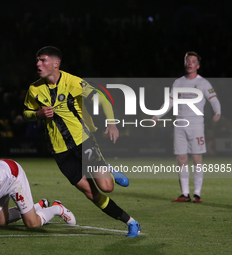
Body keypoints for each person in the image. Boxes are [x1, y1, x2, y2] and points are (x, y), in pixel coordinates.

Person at [23, 46, 140, 237]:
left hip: (83, 141)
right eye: (37, 60)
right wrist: (37, 113)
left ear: (55, 64)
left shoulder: (73, 82)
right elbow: (26, 113)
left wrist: (111, 123)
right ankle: (131, 222)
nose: (38, 63)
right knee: (92, 194)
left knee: (107, 187)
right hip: (60, 151)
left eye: (42, 60)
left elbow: (102, 99)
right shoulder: (34, 89)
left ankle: (108, 169)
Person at [152, 51, 221, 203]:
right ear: (185, 63)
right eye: (187, 60)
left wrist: (217, 112)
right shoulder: (178, 82)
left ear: (198, 65)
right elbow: (169, 102)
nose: (189, 63)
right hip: (180, 125)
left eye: (193, 61)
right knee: (181, 158)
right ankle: (185, 194)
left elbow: (213, 99)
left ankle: (197, 194)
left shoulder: (203, 83)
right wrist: (158, 115)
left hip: (196, 125)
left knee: (197, 158)